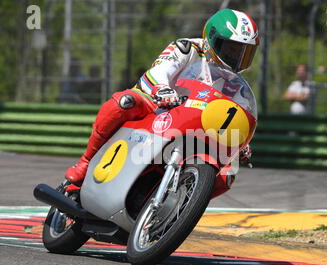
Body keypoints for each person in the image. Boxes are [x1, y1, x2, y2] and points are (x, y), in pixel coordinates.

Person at [65, 8, 260, 186]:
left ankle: (176, 211)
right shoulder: (187, 48)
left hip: (198, 125)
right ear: (212, 38)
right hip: (160, 108)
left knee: (227, 174)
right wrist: (162, 89)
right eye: (232, 48)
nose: (237, 56)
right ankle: (87, 161)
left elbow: (232, 112)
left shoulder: (234, 82)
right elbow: (160, 71)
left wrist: (240, 141)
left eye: (244, 52)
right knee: (124, 103)